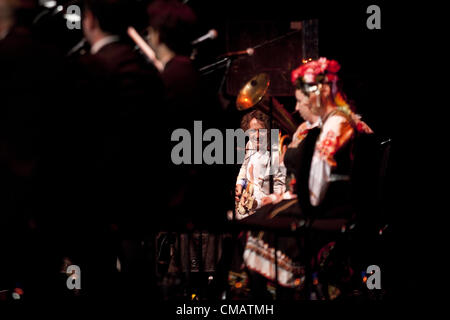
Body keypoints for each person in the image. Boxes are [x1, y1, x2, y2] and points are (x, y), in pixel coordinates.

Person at [239, 57, 373, 299]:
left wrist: (291, 201)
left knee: (260, 221)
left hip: (327, 207)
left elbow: (316, 186)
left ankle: (278, 293)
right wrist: (283, 197)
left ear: (316, 96)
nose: (297, 108)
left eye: (300, 100)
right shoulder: (333, 122)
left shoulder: (337, 124)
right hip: (325, 202)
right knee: (258, 215)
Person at [65, 0, 164, 299]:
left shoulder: (88, 69)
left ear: (90, 19)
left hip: (95, 200)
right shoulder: (149, 74)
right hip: (141, 198)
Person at [234, 109, 286, 220]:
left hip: (264, 213)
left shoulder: (276, 152)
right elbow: (244, 166)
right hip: (245, 205)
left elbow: (280, 190)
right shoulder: (250, 144)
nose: (256, 136)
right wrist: (239, 183)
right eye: (252, 131)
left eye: (261, 131)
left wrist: (257, 203)